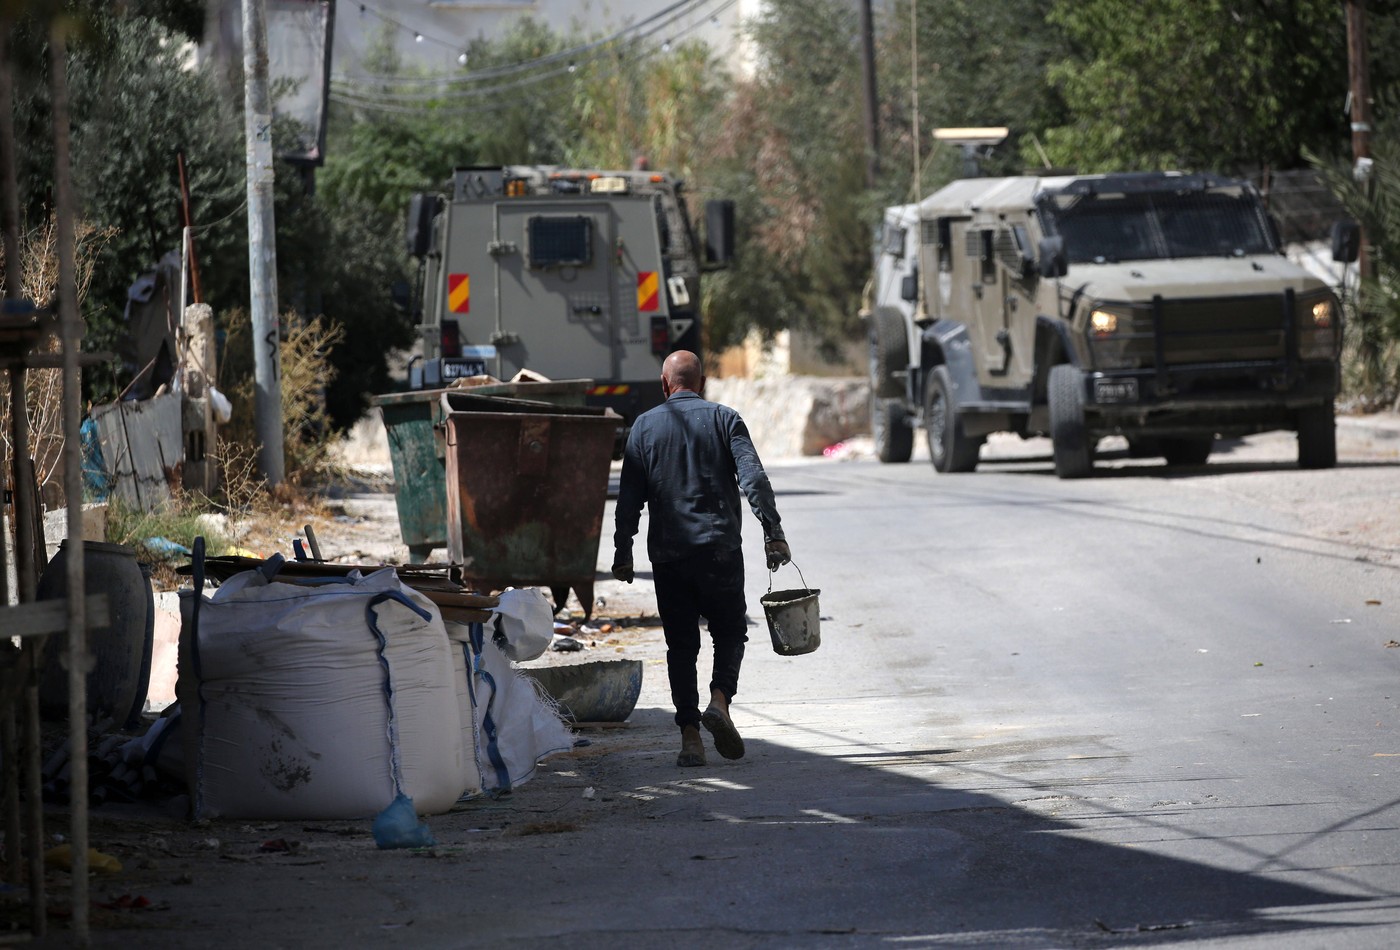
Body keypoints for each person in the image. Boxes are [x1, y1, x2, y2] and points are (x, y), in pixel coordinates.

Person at [612, 350, 791, 768]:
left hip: (669, 556)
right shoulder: (725, 419)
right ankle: (719, 700)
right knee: (730, 632)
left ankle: (690, 737)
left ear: (664, 384)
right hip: (719, 550)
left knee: (681, 646)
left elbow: (629, 500)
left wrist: (623, 551)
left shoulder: (643, 427)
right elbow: (753, 479)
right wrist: (773, 532)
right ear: (703, 383)